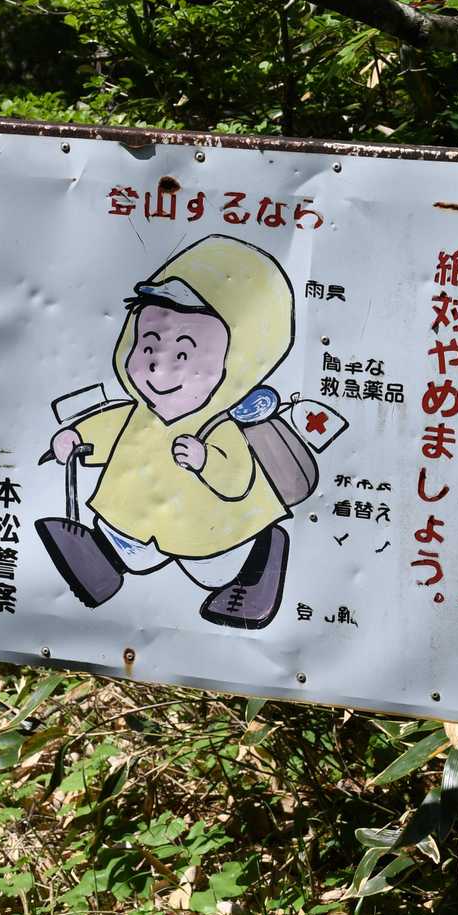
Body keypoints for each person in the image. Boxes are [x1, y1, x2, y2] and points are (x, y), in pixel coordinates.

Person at [35, 234, 295, 629]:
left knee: (214, 568)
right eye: (149, 345)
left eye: (185, 354)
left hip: (211, 528)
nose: (159, 367)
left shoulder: (219, 426)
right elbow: (109, 428)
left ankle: (259, 561)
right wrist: (77, 439)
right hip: (142, 518)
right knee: (128, 545)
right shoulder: (139, 413)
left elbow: (237, 476)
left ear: (236, 364)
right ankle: (99, 561)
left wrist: (205, 460)